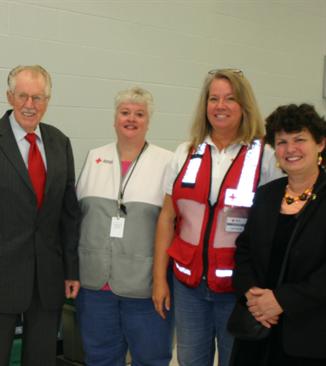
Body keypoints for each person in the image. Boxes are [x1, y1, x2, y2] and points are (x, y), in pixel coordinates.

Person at [151, 69, 283, 366]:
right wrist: (159, 279)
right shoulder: (185, 152)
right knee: (190, 360)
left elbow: (276, 229)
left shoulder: (265, 156)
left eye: (230, 99)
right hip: (189, 288)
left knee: (235, 361)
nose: (220, 106)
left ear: (244, 106)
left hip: (239, 291)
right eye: (213, 98)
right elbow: (166, 218)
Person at [0, 65, 81, 366]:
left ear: (47, 101)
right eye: (23, 96)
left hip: (47, 278)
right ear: (9, 96)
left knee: (41, 359)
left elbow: (68, 214)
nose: (30, 105)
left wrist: (71, 270)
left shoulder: (59, 142)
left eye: (38, 98)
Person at [75, 86, 174, 366]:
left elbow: (172, 225)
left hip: (145, 288)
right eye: (125, 112)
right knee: (100, 357)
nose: (131, 119)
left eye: (139, 114)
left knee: (151, 358)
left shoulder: (167, 162)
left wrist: (161, 281)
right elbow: (78, 218)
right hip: (95, 287)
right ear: (114, 117)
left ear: (148, 121)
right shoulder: (95, 157)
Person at [230, 103, 326, 366]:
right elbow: (244, 251)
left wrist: (281, 301)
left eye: (300, 139)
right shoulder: (266, 194)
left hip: (310, 336)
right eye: (281, 141)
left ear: (320, 144)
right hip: (257, 328)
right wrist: (251, 295)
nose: (290, 149)